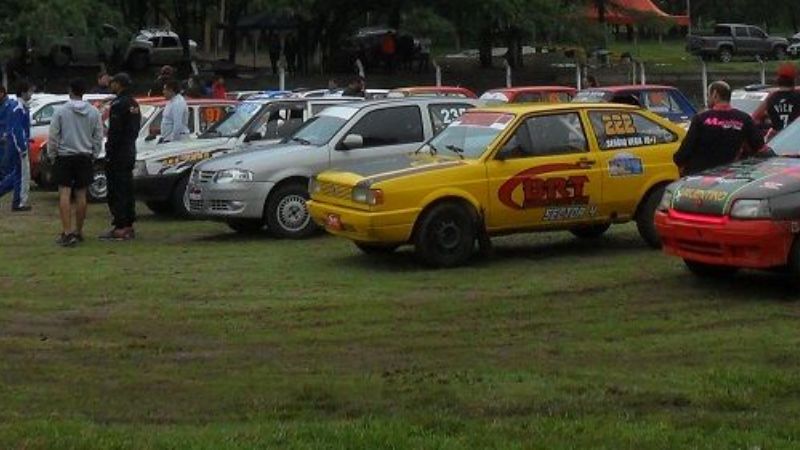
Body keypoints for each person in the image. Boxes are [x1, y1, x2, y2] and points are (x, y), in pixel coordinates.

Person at [47, 78, 103, 246]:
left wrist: (52, 154)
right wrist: (94, 153)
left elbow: (53, 135)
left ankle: (66, 231)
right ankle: (79, 230)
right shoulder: (94, 112)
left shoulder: (61, 111)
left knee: (64, 193)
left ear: (70, 91)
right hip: (84, 155)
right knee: (81, 194)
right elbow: (98, 136)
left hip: (64, 155)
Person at [674, 81, 764, 176]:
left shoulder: (701, 118)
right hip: (731, 175)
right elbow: (759, 146)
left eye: (708, 95)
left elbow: (686, 149)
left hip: (700, 175)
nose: (708, 99)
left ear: (715, 94)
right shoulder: (744, 119)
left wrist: (679, 161)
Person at [102, 73, 141, 241]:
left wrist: (109, 151)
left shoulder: (118, 104)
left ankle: (120, 225)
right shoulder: (134, 103)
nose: (111, 85)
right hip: (129, 150)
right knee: (127, 188)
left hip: (118, 153)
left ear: (119, 84)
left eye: (114, 83)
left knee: (117, 190)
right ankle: (128, 224)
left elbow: (115, 132)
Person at [0, 82, 32, 211]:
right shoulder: (18, 107)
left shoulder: (20, 107)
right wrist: (22, 147)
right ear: (23, 93)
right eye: (30, 91)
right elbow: (17, 130)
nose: (31, 94)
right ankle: (19, 202)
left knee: (17, 174)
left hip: (17, 145)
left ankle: (18, 200)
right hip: (18, 147)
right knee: (22, 174)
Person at [753, 63, 800, 139]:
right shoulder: (798, 96)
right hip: (795, 140)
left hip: (777, 140)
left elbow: (754, 118)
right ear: (794, 80)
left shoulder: (770, 98)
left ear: (778, 80)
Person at [160, 79, 190, 143]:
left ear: (171, 91)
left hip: (176, 140)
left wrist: (171, 139)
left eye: (165, 90)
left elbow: (178, 124)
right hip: (167, 138)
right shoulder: (170, 101)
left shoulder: (178, 103)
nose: (163, 92)